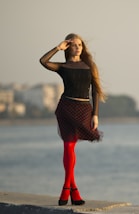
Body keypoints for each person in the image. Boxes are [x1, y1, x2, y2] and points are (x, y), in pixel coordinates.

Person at [40, 33, 105, 206]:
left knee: (71, 147)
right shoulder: (63, 67)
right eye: (74, 45)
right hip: (66, 109)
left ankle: (70, 189)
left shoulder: (90, 66)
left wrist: (95, 114)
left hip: (84, 109)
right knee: (69, 146)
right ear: (68, 47)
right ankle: (69, 189)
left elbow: (95, 92)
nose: (78, 48)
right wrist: (57, 48)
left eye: (80, 45)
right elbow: (43, 61)